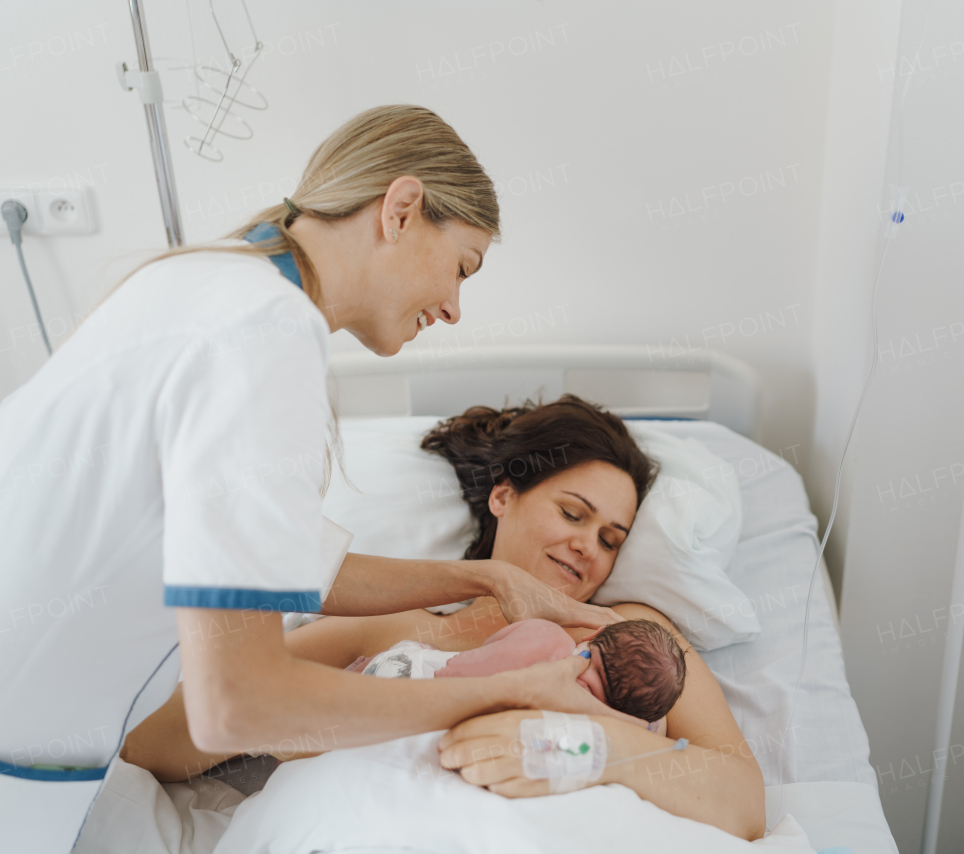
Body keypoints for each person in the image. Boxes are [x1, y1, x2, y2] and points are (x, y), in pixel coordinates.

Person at [0, 105, 623, 853]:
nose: (456, 308)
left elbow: (285, 564)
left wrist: (493, 579)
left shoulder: (214, 282)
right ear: (401, 210)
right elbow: (237, 708)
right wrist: (502, 691)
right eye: (462, 266)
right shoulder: (265, 338)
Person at [122, 397, 767, 840]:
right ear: (503, 495)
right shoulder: (392, 626)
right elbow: (157, 745)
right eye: (573, 514)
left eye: (611, 539)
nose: (588, 547)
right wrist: (309, 718)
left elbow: (740, 802)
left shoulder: (628, 639)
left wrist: (577, 750)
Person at [351, 618, 687, 726]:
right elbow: (652, 731)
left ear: (593, 635)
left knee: (428, 656)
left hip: (406, 680)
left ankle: (356, 678)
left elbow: (462, 668)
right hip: (434, 725)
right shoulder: (605, 725)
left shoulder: (549, 639)